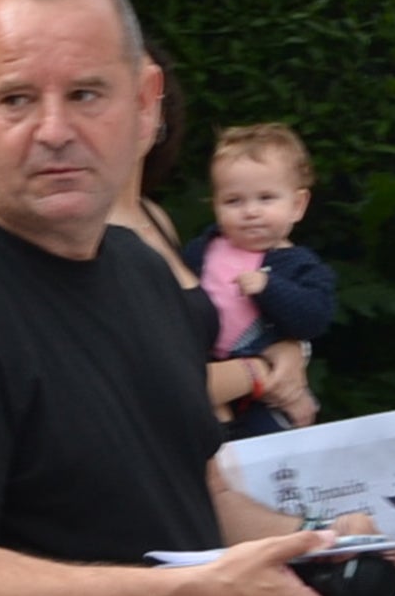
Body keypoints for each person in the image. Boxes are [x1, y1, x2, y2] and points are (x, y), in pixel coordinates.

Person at [0, 0, 378, 596]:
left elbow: (196, 497)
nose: (54, 128)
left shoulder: (144, 274)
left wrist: (315, 543)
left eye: (86, 93)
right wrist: (191, 593)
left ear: (147, 101)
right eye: (16, 98)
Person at [106, 58, 317, 436]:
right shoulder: (84, 236)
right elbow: (149, 384)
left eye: (149, 96)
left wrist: (291, 350)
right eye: (96, 96)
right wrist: (259, 368)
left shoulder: (152, 215)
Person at [184, 124, 337, 438]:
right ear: (215, 205)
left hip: (267, 395)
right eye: (233, 201)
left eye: (266, 198)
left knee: (272, 450)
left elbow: (314, 318)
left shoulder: (298, 265)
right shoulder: (202, 250)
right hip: (210, 374)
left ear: (297, 205)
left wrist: (270, 288)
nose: (250, 211)